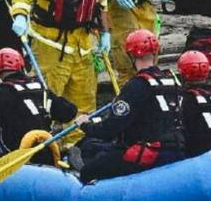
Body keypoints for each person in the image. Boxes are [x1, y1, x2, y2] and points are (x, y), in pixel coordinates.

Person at [9, 0, 110, 145]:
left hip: (82, 47)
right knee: (44, 99)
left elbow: (101, 3)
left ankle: (78, 146)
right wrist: (20, 15)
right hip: (51, 46)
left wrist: (105, 33)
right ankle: (35, 143)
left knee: (84, 103)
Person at [73, 29, 184, 183]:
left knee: (88, 170)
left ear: (131, 55)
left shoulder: (136, 86)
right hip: (176, 149)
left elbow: (111, 129)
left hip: (147, 153)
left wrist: (86, 125)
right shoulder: (173, 81)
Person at [0, 47, 77, 165]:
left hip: (18, 156)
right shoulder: (40, 87)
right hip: (47, 152)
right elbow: (70, 112)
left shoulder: (0, 94)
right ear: (21, 67)